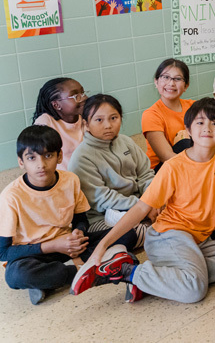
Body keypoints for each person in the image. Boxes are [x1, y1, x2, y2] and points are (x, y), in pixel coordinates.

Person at [73, 98, 215, 304]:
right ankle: (127, 271)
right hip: (168, 236)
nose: (207, 128)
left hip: (200, 239)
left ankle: (156, 281)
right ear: (187, 129)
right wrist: (102, 245)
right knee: (194, 289)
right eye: (200, 122)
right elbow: (142, 208)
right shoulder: (174, 166)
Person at [1, 126, 138, 305]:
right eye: (31, 158)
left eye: (48, 155)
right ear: (21, 162)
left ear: (59, 156)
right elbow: (3, 251)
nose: (40, 164)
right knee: (16, 275)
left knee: (129, 233)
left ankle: (50, 281)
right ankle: (94, 271)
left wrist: (78, 233)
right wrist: (54, 245)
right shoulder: (11, 197)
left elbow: (80, 219)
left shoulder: (70, 180)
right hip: (35, 254)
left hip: (71, 246)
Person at [69, 94, 153, 249]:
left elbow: (146, 174)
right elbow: (102, 199)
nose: (108, 125)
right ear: (86, 124)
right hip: (103, 217)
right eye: (99, 120)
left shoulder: (126, 141)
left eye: (113, 118)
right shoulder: (81, 157)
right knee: (135, 233)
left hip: (142, 205)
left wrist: (152, 201)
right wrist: (144, 207)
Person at [141, 59, 194, 169]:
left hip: (191, 161)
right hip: (162, 169)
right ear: (156, 82)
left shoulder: (193, 107)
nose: (171, 83)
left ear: (186, 85)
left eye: (178, 79)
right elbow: (166, 157)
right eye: (165, 77)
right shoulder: (151, 115)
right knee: (185, 143)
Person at [32, 77, 86, 169]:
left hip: (89, 175)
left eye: (83, 93)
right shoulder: (45, 123)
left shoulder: (87, 116)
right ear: (56, 105)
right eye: (75, 96)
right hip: (64, 179)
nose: (84, 98)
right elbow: (40, 160)